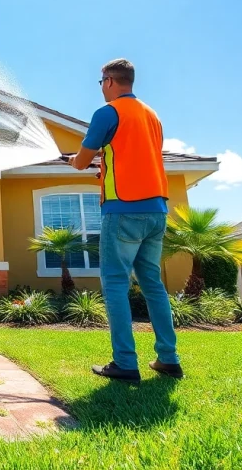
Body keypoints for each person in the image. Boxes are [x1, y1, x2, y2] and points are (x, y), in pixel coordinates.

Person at [68, 58, 183, 382]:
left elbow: (81, 161)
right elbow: (131, 157)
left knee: (116, 284)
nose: (101, 88)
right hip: (156, 210)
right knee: (153, 284)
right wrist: (102, 168)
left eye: (100, 82)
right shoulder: (152, 116)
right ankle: (168, 358)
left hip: (123, 211)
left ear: (108, 81)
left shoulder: (107, 113)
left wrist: (76, 161)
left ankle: (125, 363)